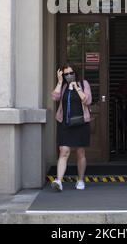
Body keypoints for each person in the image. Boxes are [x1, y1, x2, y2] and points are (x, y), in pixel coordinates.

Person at [51, 63, 92, 192]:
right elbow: (55, 97)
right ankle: (59, 181)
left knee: (80, 152)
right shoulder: (63, 86)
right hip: (65, 123)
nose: (69, 76)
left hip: (81, 123)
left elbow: (87, 100)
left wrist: (76, 87)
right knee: (63, 151)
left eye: (71, 73)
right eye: (66, 74)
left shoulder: (83, 84)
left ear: (75, 73)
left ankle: (80, 180)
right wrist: (59, 81)